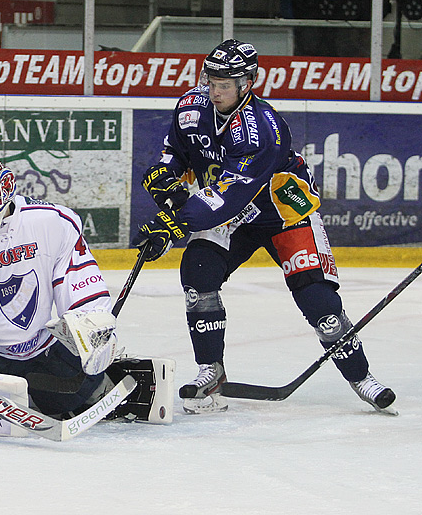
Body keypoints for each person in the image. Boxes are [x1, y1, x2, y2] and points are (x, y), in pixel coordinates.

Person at [133, 39, 396, 415]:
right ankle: (212, 369)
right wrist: (165, 179)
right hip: (231, 215)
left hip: (281, 210)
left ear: (248, 83)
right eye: (211, 81)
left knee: (320, 302)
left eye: (226, 84)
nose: (216, 90)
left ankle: (361, 377)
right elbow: (176, 152)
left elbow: (231, 193)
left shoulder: (261, 129)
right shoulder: (191, 106)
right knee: (197, 273)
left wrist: (174, 221)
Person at [0, 151, 128, 418]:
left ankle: (81, 390)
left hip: (41, 349)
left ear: (4, 188)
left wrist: (94, 330)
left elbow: (80, 286)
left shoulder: (52, 222)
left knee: (77, 391)